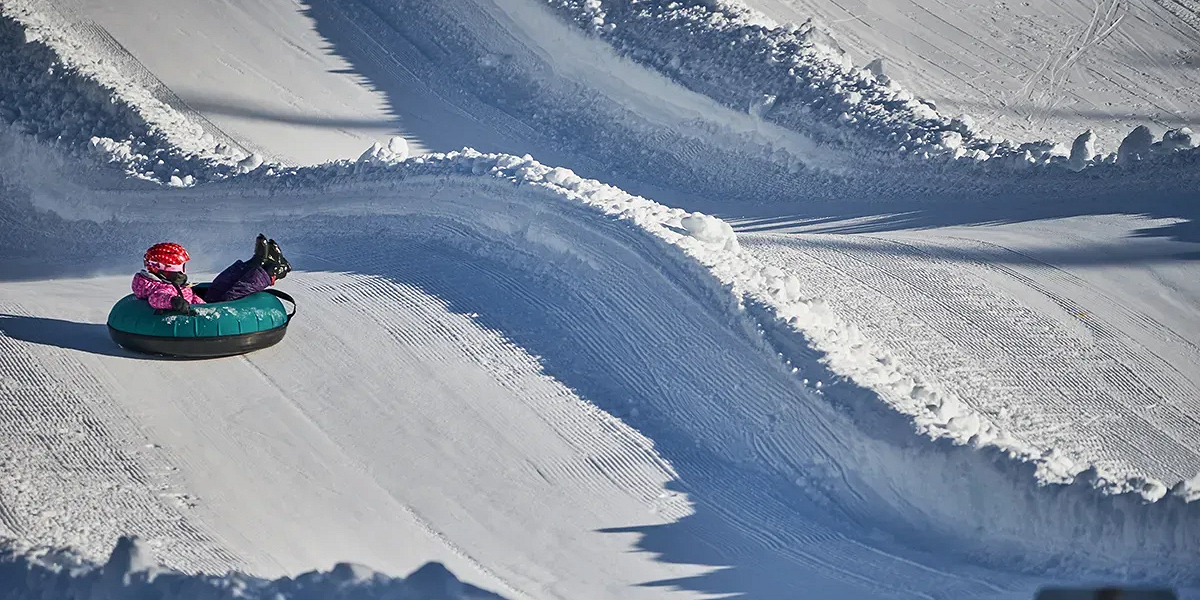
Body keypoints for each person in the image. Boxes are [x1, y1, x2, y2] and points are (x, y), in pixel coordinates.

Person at [132, 235, 291, 314]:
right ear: (163, 268)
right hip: (204, 311)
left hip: (203, 302)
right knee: (234, 295)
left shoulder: (161, 280)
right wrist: (174, 301)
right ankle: (270, 272)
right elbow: (157, 298)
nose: (182, 270)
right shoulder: (157, 287)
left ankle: (257, 262)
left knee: (220, 283)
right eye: (179, 266)